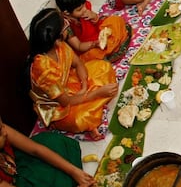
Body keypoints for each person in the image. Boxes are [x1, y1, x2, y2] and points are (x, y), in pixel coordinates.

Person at [28, 8, 118, 141]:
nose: (67, 25)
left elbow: (78, 64)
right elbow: (66, 101)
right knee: (81, 118)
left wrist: (84, 85)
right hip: (58, 107)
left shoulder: (60, 46)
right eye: (64, 25)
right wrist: (97, 93)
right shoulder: (43, 68)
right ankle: (93, 112)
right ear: (56, 39)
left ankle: (95, 105)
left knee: (103, 67)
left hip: (71, 83)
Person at [54, 0, 131, 63]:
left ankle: (112, 46)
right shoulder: (66, 27)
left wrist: (94, 16)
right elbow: (79, 46)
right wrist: (94, 44)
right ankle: (113, 46)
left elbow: (98, 21)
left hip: (98, 35)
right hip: (87, 47)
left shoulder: (83, 6)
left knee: (115, 20)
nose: (84, 9)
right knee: (91, 56)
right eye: (80, 9)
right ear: (67, 13)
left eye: (84, 5)